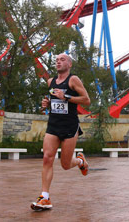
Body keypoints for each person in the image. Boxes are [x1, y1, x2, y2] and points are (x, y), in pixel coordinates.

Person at [31, 53, 91, 210]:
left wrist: (66, 97)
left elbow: (86, 100)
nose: (58, 62)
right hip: (53, 125)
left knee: (65, 164)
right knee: (47, 158)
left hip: (70, 126)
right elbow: (53, 100)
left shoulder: (73, 80)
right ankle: (45, 197)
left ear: (69, 64)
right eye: (57, 60)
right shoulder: (50, 81)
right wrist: (46, 103)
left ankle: (80, 161)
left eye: (62, 60)